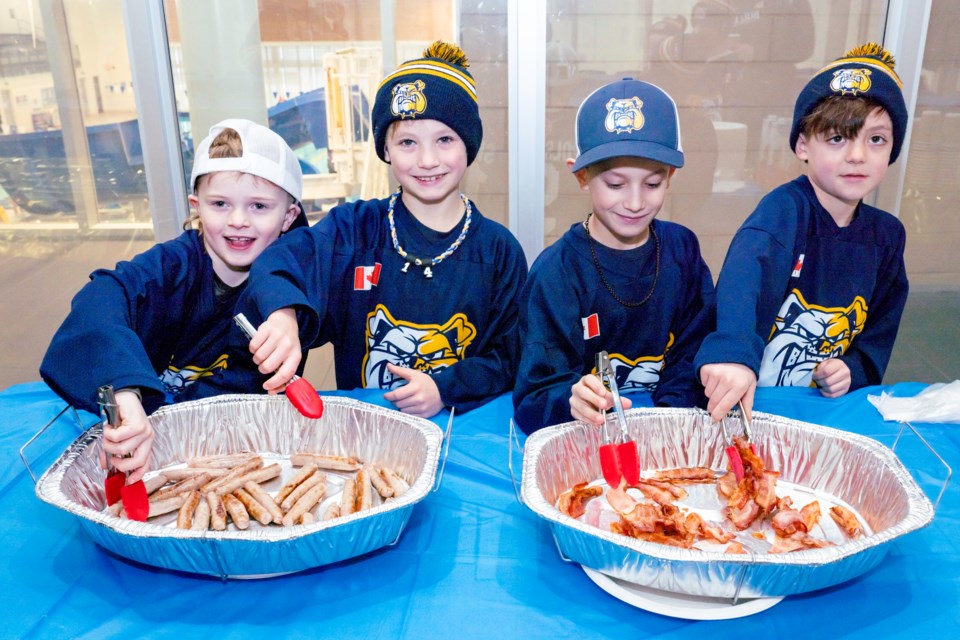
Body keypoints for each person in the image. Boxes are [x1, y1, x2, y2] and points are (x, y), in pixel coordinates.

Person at [239, 41, 528, 419]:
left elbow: (510, 354)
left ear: (468, 145)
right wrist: (282, 314)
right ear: (386, 149)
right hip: (368, 434)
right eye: (408, 142)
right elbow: (279, 262)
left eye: (445, 140)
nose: (427, 160)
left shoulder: (498, 252)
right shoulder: (353, 231)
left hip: (462, 432)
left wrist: (445, 388)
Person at [40, 119, 306, 481]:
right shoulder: (167, 269)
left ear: (289, 216)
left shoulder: (292, 289)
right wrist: (125, 392)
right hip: (149, 446)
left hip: (232, 454)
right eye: (220, 204)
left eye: (259, 206)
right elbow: (99, 301)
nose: (239, 220)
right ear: (197, 206)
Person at [694, 43, 910, 423]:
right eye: (838, 138)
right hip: (749, 404)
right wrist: (732, 354)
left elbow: (880, 327)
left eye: (876, 139)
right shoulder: (783, 211)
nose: (858, 155)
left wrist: (854, 368)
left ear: (892, 151)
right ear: (802, 146)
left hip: (819, 409)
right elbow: (743, 282)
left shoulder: (887, 236)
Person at [513, 77, 715, 434]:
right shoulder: (556, 273)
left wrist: (666, 425)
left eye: (652, 184)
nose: (635, 202)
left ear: (669, 176)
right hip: (586, 439)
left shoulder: (683, 250)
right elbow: (533, 399)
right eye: (616, 184)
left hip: (669, 432)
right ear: (581, 176)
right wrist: (569, 400)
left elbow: (694, 351)